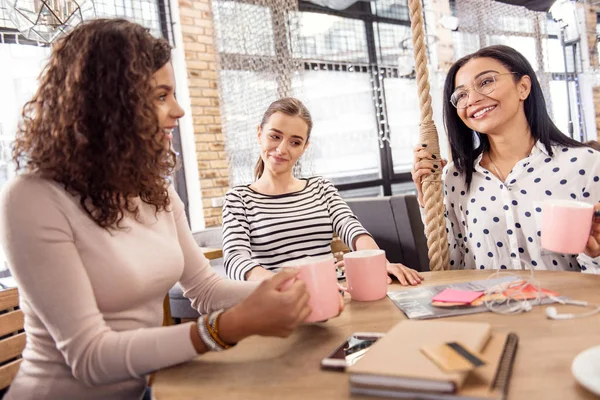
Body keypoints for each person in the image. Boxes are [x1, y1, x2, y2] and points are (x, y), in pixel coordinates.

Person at [0, 19, 314, 400]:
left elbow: (206, 289)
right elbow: (90, 356)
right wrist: (223, 329)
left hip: (151, 389)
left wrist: (289, 288)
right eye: (161, 96)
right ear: (109, 104)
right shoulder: (33, 198)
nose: (179, 110)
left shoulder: (155, 191)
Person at [411, 45, 600, 273]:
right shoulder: (456, 176)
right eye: (461, 94)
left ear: (523, 87)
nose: (472, 99)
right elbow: (451, 264)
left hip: (566, 307)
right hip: (485, 307)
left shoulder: (586, 165)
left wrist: (594, 254)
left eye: (486, 82)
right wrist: (427, 201)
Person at [221, 97, 424, 285]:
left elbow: (352, 228)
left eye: (295, 142)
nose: (282, 149)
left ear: (304, 147)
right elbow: (235, 259)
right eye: (275, 136)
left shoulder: (320, 188)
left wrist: (378, 261)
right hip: (282, 302)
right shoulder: (239, 199)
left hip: (336, 291)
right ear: (259, 134)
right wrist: (282, 286)